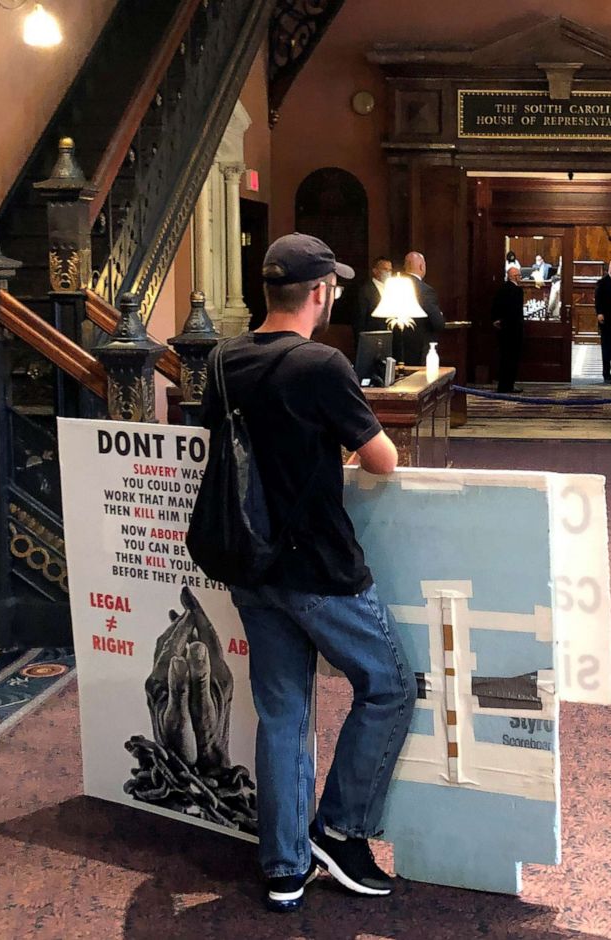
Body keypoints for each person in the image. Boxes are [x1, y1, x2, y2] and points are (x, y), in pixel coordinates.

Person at [201, 233, 417, 913]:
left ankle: (285, 867)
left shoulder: (220, 361)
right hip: (318, 567)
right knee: (388, 686)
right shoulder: (322, 364)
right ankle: (339, 829)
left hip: (247, 562)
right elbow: (381, 459)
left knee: (283, 713)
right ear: (320, 293)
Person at [400, 250, 445, 365]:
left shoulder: (393, 287)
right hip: (420, 348)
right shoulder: (425, 290)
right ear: (421, 266)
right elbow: (438, 323)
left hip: (398, 347)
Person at [491, 265, 525, 393]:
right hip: (514, 330)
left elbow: (495, 307)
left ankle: (503, 385)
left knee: (504, 358)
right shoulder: (517, 291)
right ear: (514, 277)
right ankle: (509, 385)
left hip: (503, 329)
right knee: (512, 359)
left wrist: (497, 320)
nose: (520, 278)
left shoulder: (501, 289)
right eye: (519, 276)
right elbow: (517, 312)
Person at [353, 255, 392, 342]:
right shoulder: (365, 291)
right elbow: (360, 320)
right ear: (375, 271)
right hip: (373, 338)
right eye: (385, 269)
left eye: (390, 270)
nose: (388, 273)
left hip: (391, 338)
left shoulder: (393, 289)